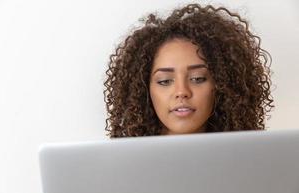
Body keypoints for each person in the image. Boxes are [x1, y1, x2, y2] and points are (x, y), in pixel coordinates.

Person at [103, 3, 274, 138]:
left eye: (198, 78)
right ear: (144, 91)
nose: (181, 92)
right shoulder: (123, 165)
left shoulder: (253, 160)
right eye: (164, 81)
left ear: (222, 85)